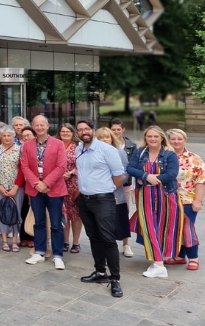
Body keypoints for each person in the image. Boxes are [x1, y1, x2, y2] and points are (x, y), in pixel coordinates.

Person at [75, 121, 125, 297]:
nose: (83, 132)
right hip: (84, 200)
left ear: (93, 131)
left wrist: (105, 189)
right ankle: (100, 272)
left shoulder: (107, 150)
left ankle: (115, 279)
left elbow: (119, 176)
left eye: (86, 129)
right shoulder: (78, 149)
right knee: (94, 238)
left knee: (108, 239)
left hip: (103, 200)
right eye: (80, 130)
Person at [126, 126, 180, 278]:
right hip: (144, 195)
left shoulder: (169, 154)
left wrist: (154, 178)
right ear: (145, 138)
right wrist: (145, 176)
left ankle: (159, 262)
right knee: (149, 226)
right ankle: (159, 263)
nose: (152, 139)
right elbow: (130, 168)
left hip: (166, 195)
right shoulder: (140, 152)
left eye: (156, 136)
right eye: (149, 136)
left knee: (162, 227)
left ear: (162, 137)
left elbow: (172, 174)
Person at [21, 115, 68, 270]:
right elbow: (25, 166)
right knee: (39, 222)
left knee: (56, 224)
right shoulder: (27, 145)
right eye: (36, 125)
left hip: (54, 188)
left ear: (48, 126)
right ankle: (39, 252)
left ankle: (58, 255)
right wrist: (37, 183)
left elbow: (61, 166)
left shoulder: (58, 143)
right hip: (35, 190)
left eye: (42, 125)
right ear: (33, 127)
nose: (39, 127)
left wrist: (46, 183)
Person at [164, 129, 205, 271]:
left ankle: (194, 257)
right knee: (176, 228)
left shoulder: (193, 158)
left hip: (187, 199)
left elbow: (202, 180)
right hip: (168, 199)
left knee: (187, 228)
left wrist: (198, 200)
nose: (176, 142)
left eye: (179, 139)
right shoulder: (163, 156)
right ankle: (179, 255)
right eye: (173, 139)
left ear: (185, 140)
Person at [94, 128, 131, 261]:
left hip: (116, 192)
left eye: (107, 137)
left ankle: (125, 245)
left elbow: (126, 172)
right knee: (103, 223)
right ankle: (106, 247)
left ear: (112, 138)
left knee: (120, 221)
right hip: (99, 194)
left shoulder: (120, 153)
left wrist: (115, 183)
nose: (104, 140)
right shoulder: (93, 153)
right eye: (101, 138)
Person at [0, 125, 25, 253]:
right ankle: (4, 240)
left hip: (16, 188)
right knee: (2, 212)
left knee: (16, 213)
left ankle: (15, 241)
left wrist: (16, 187)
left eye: (9, 135)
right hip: (0, 187)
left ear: (13, 136)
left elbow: (22, 169)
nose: (6, 138)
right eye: (4, 135)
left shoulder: (19, 150)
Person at [109, 118, 137, 257]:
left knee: (123, 213)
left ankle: (126, 244)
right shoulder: (106, 144)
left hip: (124, 185)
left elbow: (131, 166)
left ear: (123, 130)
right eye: (113, 130)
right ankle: (110, 242)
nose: (116, 132)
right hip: (108, 186)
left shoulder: (130, 145)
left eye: (118, 129)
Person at [57, 123, 82, 254]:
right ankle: (65, 241)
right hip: (59, 184)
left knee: (76, 215)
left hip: (74, 184)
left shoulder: (78, 147)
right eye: (63, 132)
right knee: (64, 213)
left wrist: (71, 172)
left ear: (73, 133)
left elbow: (83, 164)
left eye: (68, 132)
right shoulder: (56, 145)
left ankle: (76, 242)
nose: (65, 134)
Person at [18, 126, 36, 247]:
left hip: (35, 184)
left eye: (28, 135)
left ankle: (33, 237)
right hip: (22, 185)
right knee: (24, 211)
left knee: (34, 212)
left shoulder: (38, 149)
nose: (26, 137)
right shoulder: (19, 149)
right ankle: (23, 237)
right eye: (24, 136)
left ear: (34, 136)